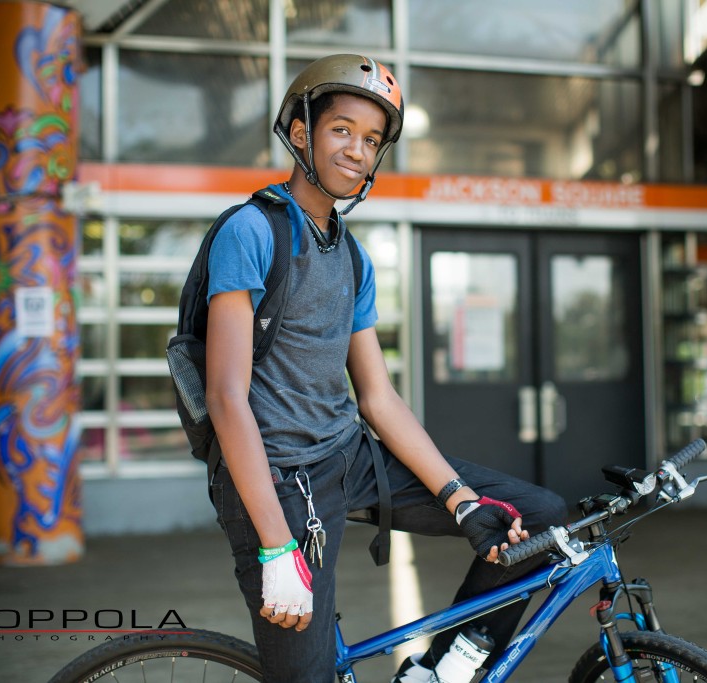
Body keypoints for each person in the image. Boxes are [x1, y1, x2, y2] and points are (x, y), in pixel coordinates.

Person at [203, 54, 566, 683]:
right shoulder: (251, 232)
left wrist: (459, 501)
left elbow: (378, 398)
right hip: (280, 483)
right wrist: (275, 545)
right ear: (300, 133)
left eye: (372, 140)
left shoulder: (353, 257)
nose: (357, 151)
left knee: (533, 514)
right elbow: (226, 395)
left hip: (349, 459)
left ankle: (446, 666)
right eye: (342, 129)